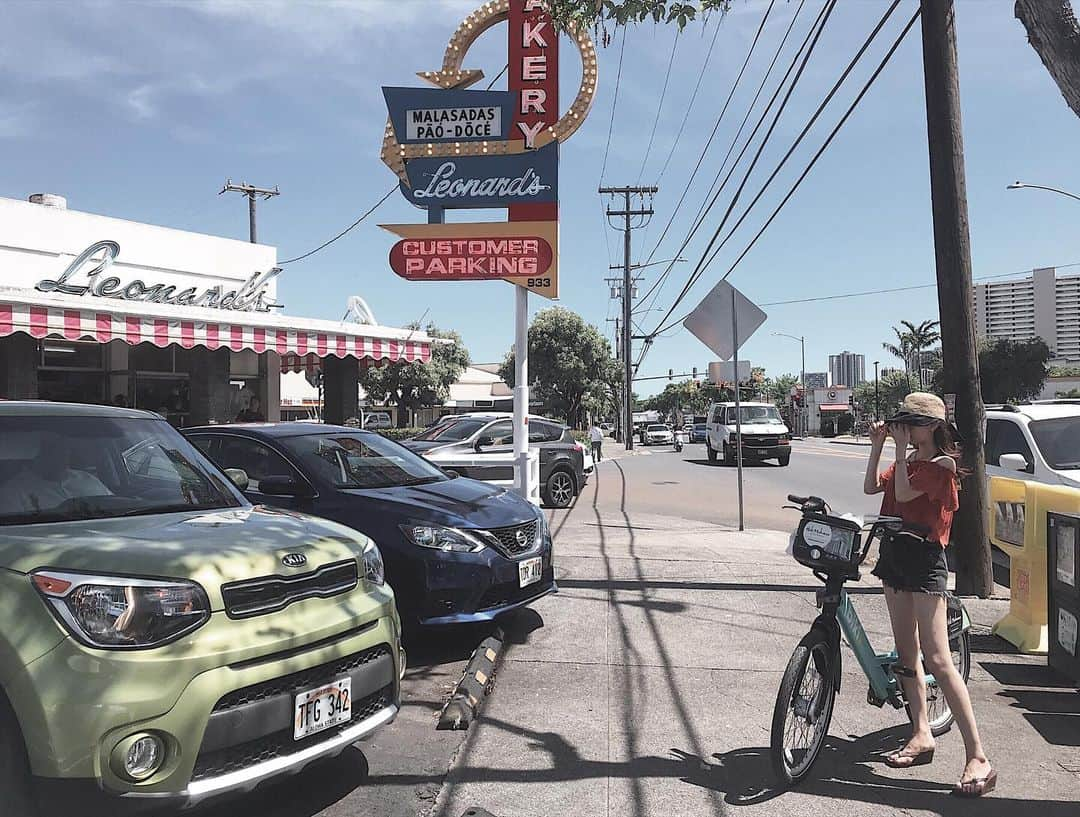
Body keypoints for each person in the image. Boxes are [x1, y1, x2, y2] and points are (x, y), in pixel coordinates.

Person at [863, 393, 995, 798]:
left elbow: (904, 495)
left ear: (933, 427)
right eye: (902, 422)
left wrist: (900, 450)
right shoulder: (908, 461)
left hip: (924, 560)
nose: (905, 429)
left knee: (937, 658)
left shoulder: (942, 465)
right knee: (907, 655)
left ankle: (978, 756)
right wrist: (877, 447)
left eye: (911, 423)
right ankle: (921, 732)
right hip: (895, 556)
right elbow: (873, 487)